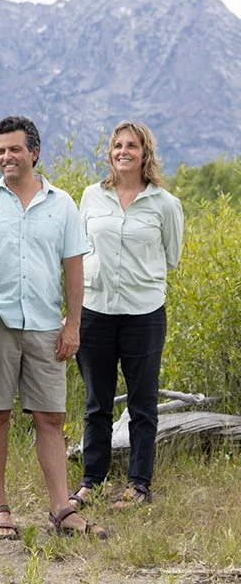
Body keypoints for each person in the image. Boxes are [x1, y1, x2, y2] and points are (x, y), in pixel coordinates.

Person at [0, 116, 98, 538]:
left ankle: (61, 508)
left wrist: (73, 325)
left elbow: (73, 268)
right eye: (0, 151)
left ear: (34, 153)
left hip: (45, 324)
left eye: (15, 149)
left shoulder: (62, 204)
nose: (7, 157)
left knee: (51, 418)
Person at [75, 121, 184, 510]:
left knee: (142, 404)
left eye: (132, 146)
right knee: (96, 403)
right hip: (95, 312)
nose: (124, 151)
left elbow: (172, 256)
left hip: (144, 315)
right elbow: (79, 249)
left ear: (145, 153)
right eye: (118, 145)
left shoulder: (164, 204)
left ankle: (138, 483)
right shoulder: (91, 197)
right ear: (110, 153)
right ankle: (92, 479)